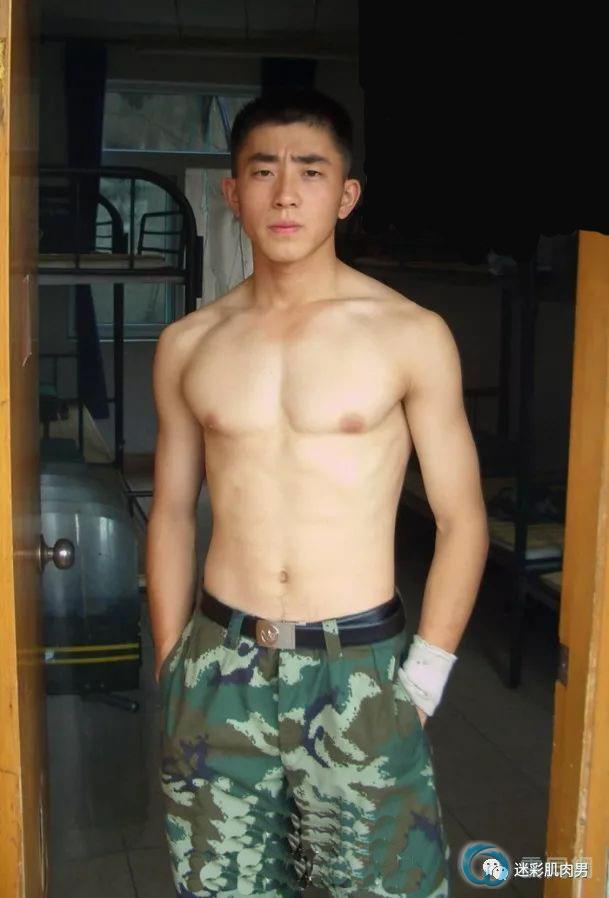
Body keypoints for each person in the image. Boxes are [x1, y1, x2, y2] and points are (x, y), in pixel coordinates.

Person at [146, 88, 489, 898]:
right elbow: (170, 512)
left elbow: (461, 519)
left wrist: (422, 682)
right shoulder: (188, 343)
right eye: (262, 171)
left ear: (345, 194)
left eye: (309, 170)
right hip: (221, 661)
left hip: (357, 667)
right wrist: (171, 664)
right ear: (232, 192)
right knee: (223, 886)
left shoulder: (409, 334)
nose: (285, 194)